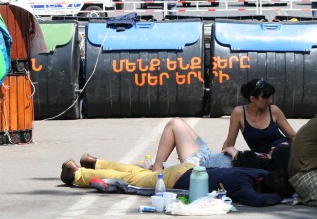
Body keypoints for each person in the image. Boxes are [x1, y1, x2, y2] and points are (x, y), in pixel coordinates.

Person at [59, 156, 293, 207]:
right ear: (262, 185)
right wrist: (280, 198)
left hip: (190, 169)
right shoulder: (245, 187)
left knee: (137, 172)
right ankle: (77, 174)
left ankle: (96, 162)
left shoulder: (253, 173)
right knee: (133, 180)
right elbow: (256, 200)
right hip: (179, 178)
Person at [150, 117, 290, 173]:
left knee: (173, 124)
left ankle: (157, 169)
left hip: (200, 162)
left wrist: (234, 152)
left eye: (275, 149)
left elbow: (243, 163)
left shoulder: (262, 165)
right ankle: (158, 165)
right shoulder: (265, 159)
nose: (272, 147)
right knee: (180, 122)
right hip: (208, 154)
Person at [221, 78, 296, 172]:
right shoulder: (239, 113)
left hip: (284, 153)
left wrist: (284, 146)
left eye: (271, 97)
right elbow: (228, 146)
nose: (270, 101)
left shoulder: (273, 110)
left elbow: (294, 137)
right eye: (266, 98)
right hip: (262, 160)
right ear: (252, 99)